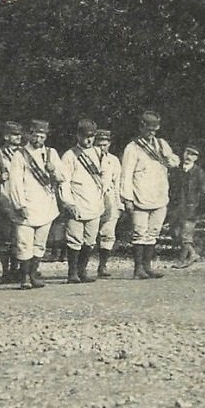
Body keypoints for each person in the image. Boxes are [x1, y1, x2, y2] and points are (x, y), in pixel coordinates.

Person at [120, 110, 180, 279]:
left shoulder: (161, 144)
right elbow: (126, 174)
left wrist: (171, 159)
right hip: (140, 195)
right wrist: (127, 199)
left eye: (155, 129)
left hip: (159, 195)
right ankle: (138, 268)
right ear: (141, 127)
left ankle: (148, 266)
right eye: (149, 129)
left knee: (153, 232)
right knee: (140, 232)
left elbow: (174, 161)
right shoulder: (132, 148)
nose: (152, 132)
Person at [9, 120, 64, 289]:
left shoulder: (51, 153)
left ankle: (34, 274)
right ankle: (24, 276)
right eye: (36, 135)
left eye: (42, 136)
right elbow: (15, 182)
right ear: (30, 134)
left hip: (46, 204)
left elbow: (62, 177)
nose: (39, 139)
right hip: (27, 203)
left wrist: (53, 169)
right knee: (24, 243)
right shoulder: (20, 155)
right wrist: (19, 204)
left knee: (40, 243)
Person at [58, 119, 105, 283]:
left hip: (94, 203)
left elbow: (103, 177)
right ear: (78, 136)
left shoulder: (99, 153)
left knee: (90, 240)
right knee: (74, 239)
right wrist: (68, 202)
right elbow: (64, 182)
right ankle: (72, 273)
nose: (89, 140)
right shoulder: (69, 156)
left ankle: (82, 270)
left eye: (91, 136)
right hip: (77, 203)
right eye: (85, 136)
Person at [0, 121, 25, 283]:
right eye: (14, 134)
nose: (18, 137)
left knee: (20, 237)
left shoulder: (25, 153)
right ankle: (6, 270)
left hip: (21, 200)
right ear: (6, 136)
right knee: (4, 238)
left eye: (19, 134)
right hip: (3, 200)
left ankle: (18, 269)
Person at [170, 144, 205, 269]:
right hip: (177, 207)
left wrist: (199, 207)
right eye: (187, 153)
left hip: (191, 207)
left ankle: (187, 258)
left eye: (192, 154)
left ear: (196, 158)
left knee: (185, 234)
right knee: (174, 231)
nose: (188, 156)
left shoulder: (198, 172)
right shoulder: (177, 170)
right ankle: (192, 254)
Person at [94, 129, 122, 277]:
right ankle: (81, 267)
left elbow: (117, 182)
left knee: (108, 233)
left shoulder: (114, 160)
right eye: (99, 145)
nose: (102, 148)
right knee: (89, 233)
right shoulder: (87, 158)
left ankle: (102, 265)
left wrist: (119, 202)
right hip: (91, 198)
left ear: (109, 144)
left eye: (105, 145)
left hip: (109, 197)